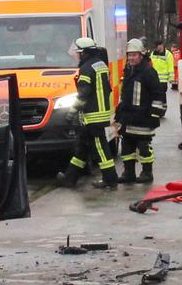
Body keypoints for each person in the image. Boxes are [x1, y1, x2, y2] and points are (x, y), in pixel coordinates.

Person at [58, 37, 120, 189]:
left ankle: (110, 179)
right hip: (99, 114)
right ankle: (69, 178)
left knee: (101, 149)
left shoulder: (86, 68)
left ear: (84, 53)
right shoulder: (100, 65)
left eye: (78, 53)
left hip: (93, 117)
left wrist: (71, 113)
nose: (77, 56)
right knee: (82, 148)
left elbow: (83, 94)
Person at [116, 38, 166, 184]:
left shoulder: (148, 72)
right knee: (126, 148)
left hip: (144, 118)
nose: (131, 58)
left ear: (141, 55)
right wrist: (119, 113)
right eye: (129, 55)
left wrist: (154, 115)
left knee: (144, 148)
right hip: (128, 118)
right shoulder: (128, 71)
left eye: (134, 55)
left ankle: (147, 172)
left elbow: (158, 94)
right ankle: (128, 173)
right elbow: (124, 95)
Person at [150, 40, 176, 114]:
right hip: (154, 79)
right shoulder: (153, 53)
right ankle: (156, 110)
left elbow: (170, 66)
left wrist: (171, 78)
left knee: (162, 95)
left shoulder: (168, 54)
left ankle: (163, 110)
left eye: (157, 46)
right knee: (155, 95)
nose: (156, 48)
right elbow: (151, 64)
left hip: (163, 80)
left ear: (161, 45)